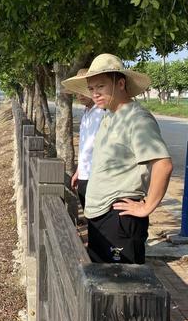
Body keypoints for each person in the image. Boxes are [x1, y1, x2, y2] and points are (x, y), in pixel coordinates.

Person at [62, 53, 172, 264]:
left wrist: (147, 206)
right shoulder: (109, 115)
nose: (95, 93)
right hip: (100, 216)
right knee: (102, 282)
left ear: (120, 83)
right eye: (92, 88)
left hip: (119, 219)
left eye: (101, 87)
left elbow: (163, 165)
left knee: (122, 285)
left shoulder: (137, 119)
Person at [68, 68, 105, 210]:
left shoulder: (103, 112)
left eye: (84, 90)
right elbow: (86, 147)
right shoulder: (86, 114)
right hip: (84, 175)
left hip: (97, 179)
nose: (79, 95)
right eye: (77, 91)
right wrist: (79, 171)